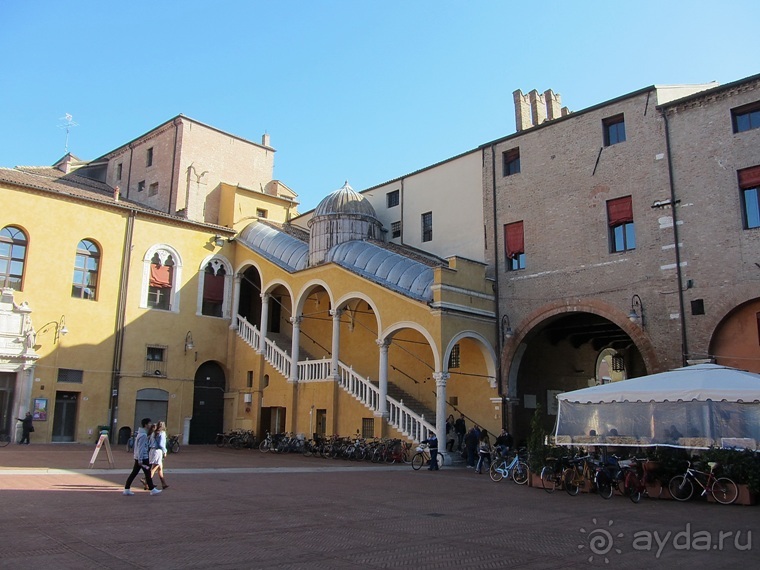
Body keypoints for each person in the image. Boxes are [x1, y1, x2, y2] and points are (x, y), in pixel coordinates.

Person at [124, 418, 161, 496]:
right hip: (143, 457)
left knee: (135, 473)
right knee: (147, 473)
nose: (150, 425)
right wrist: (140, 459)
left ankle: (127, 489)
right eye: (149, 424)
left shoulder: (140, 433)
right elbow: (141, 448)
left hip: (139, 457)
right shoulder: (143, 435)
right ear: (146, 425)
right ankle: (152, 489)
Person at [143, 420, 169, 490]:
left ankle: (163, 483)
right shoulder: (162, 433)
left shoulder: (154, 433)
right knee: (155, 468)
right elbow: (161, 444)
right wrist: (165, 451)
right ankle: (146, 481)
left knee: (160, 467)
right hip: (157, 451)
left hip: (152, 450)